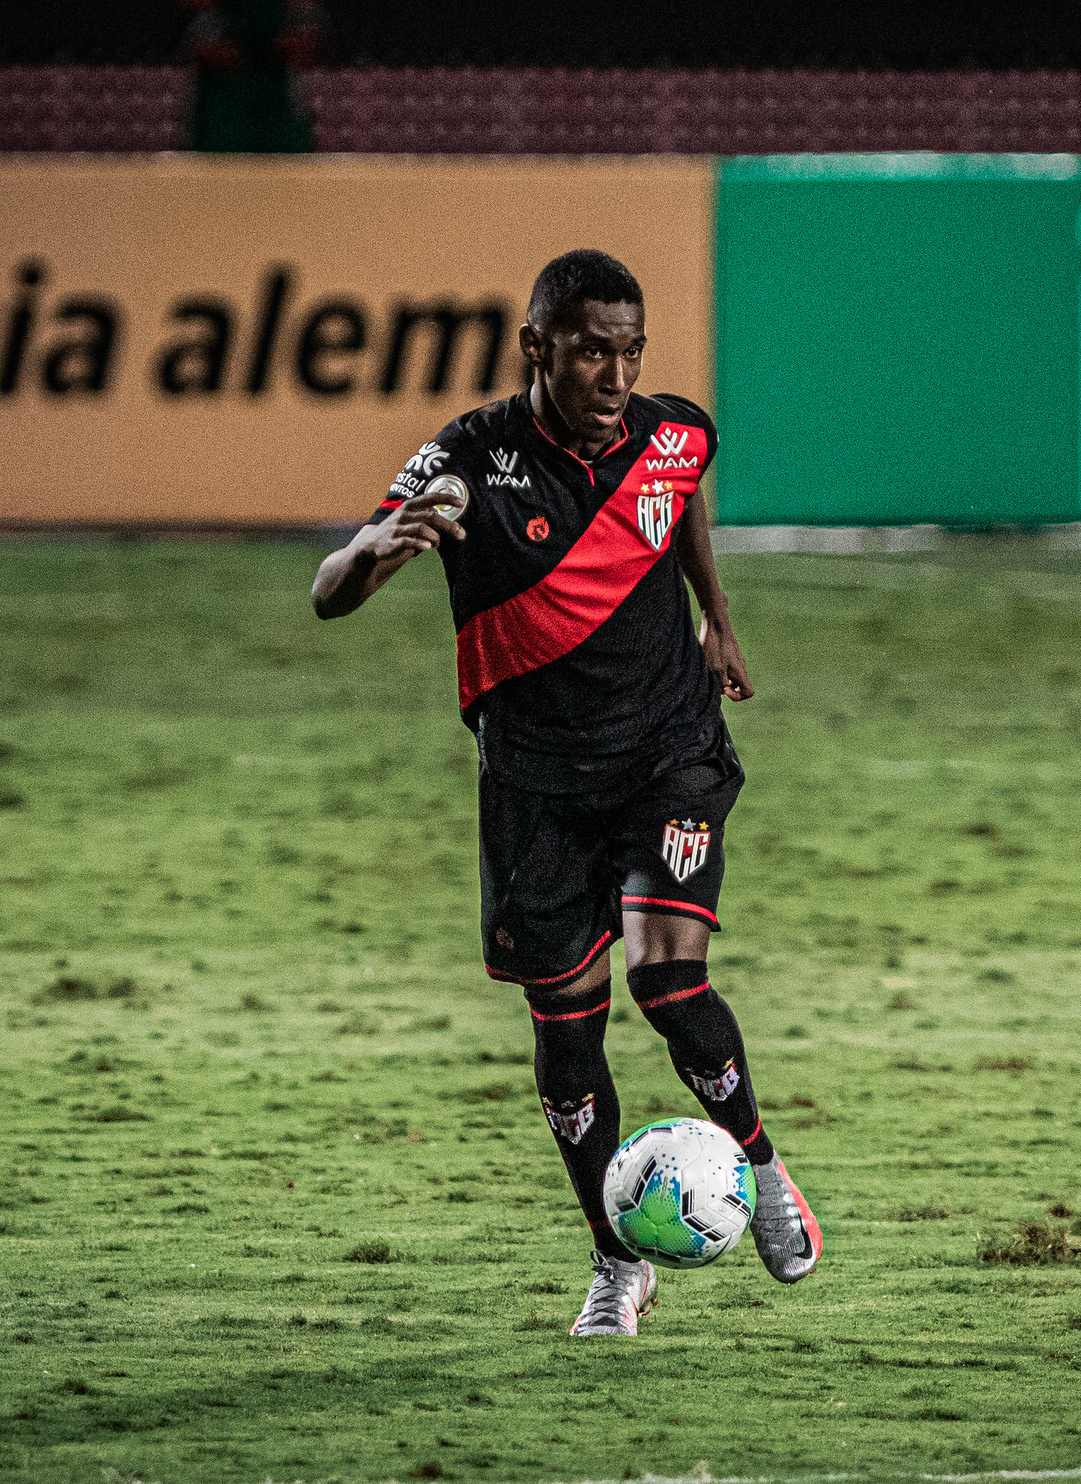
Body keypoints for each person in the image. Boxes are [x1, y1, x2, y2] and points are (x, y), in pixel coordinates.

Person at [311, 248, 820, 1336]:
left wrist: (716, 614)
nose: (616, 372)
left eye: (631, 349)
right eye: (592, 348)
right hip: (535, 784)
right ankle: (613, 1258)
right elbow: (327, 590)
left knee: (667, 980)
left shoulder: (671, 433)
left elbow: (673, 494)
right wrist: (379, 550)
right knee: (566, 1030)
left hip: (667, 751)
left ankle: (765, 1172)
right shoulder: (468, 460)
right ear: (535, 347)